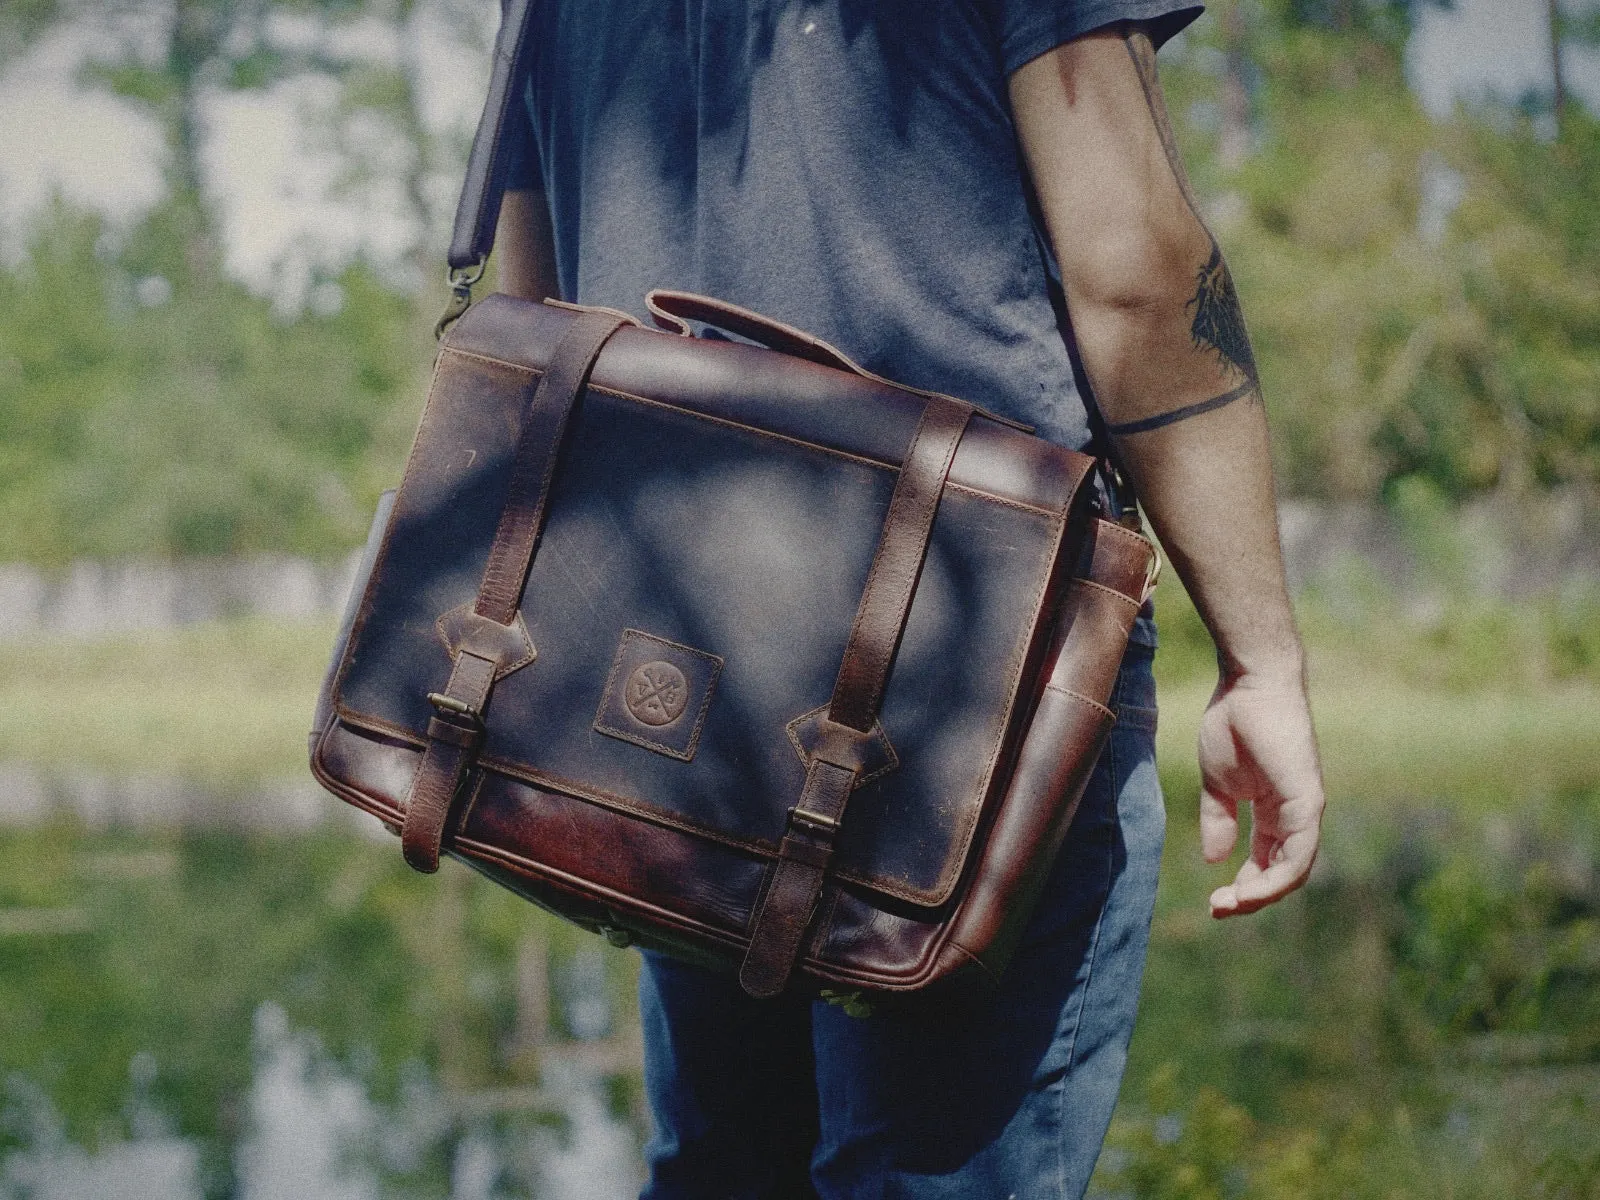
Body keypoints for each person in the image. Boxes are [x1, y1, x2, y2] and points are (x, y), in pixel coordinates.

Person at [494, 2, 1326, 1195]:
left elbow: (536, 310)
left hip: (676, 662)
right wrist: (1261, 661)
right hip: (977, 657)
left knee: (727, 1168)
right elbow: (1134, 268)